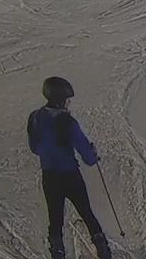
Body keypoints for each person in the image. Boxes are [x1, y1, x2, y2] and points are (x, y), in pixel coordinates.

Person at [28, 77, 112, 259]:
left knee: (55, 218)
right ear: (60, 100)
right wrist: (93, 154)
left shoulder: (35, 118)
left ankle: (57, 254)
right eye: (67, 99)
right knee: (86, 212)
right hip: (70, 176)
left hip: (49, 177)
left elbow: (35, 148)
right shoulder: (68, 123)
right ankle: (104, 252)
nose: (69, 103)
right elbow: (88, 157)